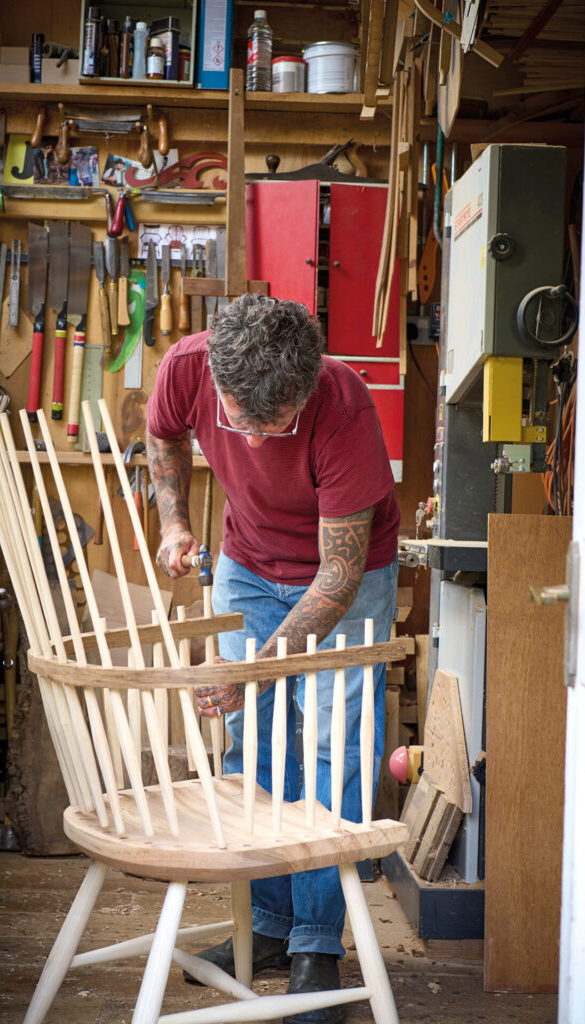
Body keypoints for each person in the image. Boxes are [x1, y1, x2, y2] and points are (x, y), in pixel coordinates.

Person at [146, 293, 400, 1024]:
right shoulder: (186, 366)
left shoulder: (342, 405)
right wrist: (174, 521)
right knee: (253, 745)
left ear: (306, 384)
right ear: (217, 380)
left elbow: (338, 576)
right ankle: (263, 926)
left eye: (276, 424)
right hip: (248, 564)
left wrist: (249, 667)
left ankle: (317, 945)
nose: (255, 445)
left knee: (331, 750)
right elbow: (163, 436)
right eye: (241, 421)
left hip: (342, 578)